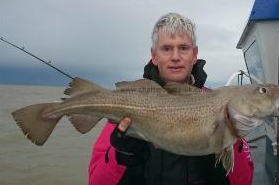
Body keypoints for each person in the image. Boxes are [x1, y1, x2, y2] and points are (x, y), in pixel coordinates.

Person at [88, 12, 253, 185]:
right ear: (154, 56)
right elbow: (96, 181)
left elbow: (244, 181)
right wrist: (121, 155)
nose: (175, 57)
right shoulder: (130, 104)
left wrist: (230, 139)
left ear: (194, 54)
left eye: (183, 48)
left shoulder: (219, 104)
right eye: (166, 48)